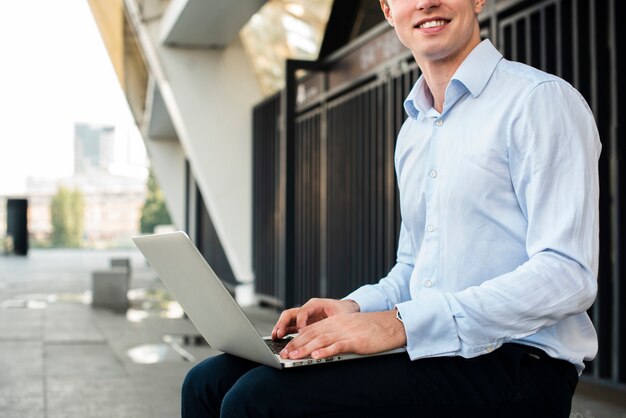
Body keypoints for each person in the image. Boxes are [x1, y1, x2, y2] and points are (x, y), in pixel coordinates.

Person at [182, 0, 601, 416]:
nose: (426, 3)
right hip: (433, 351)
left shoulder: (539, 101)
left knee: (258, 399)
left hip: (521, 364)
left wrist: (400, 324)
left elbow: (567, 275)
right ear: (387, 10)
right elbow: (412, 269)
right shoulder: (414, 130)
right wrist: (354, 308)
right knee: (207, 383)